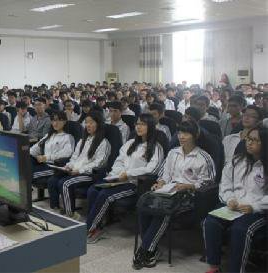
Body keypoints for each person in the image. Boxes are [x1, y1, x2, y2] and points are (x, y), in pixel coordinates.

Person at [133, 120, 216, 270]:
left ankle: (146, 250)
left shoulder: (203, 157)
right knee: (145, 205)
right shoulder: (173, 152)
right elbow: (165, 174)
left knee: (163, 212)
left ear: (195, 135)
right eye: (179, 133)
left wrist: (189, 185)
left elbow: (209, 183)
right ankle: (150, 247)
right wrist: (161, 182)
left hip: (190, 195)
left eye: (186, 133)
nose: (181, 136)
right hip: (169, 191)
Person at [86, 113, 164, 242]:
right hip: (119, 180)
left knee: (105, 195)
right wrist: (116, 175)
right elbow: (119, 161)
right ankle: (97, 225)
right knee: (93, 190)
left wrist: (128, 174)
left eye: (143, 124)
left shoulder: (156, 147)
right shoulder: (130, 143)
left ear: (150, 126)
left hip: (135, 184)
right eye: (137, 124)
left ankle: (90, 229)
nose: (138, 127)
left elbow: (153, 169)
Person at [202, 125, 267, 273]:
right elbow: (225, 184)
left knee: (240, 230)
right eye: (248, 139)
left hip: (257, 211)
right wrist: (229, 199)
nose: (249, 143)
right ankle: (214, 267)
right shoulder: (237, 160)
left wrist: (254, 207)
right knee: (210, 222)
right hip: (233, 206)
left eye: (255, 140)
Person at [47, 112, 111, 218]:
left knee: (65, 183)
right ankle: (56, 208)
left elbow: (99, 164)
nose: (88, 125)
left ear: (98, 124)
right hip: (76, 171)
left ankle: (70, 214)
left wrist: (80, 171)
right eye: (86, 123)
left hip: (91, 174)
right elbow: (75, 157)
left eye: (91, 122)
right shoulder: (83, 140)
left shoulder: (104, 143)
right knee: (53, 180)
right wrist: (69, 166)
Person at [30, 111, 75, 182]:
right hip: (43, 164)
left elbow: (67, 153)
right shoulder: (49, 135)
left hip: (55, 167)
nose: (55, 123)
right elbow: (36, 147)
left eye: (58, 120)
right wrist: (27, 153)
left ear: (65, 121)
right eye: (53, 120)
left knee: (27, 175)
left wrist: (47, 157)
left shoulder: (68, 137)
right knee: (25, 165)